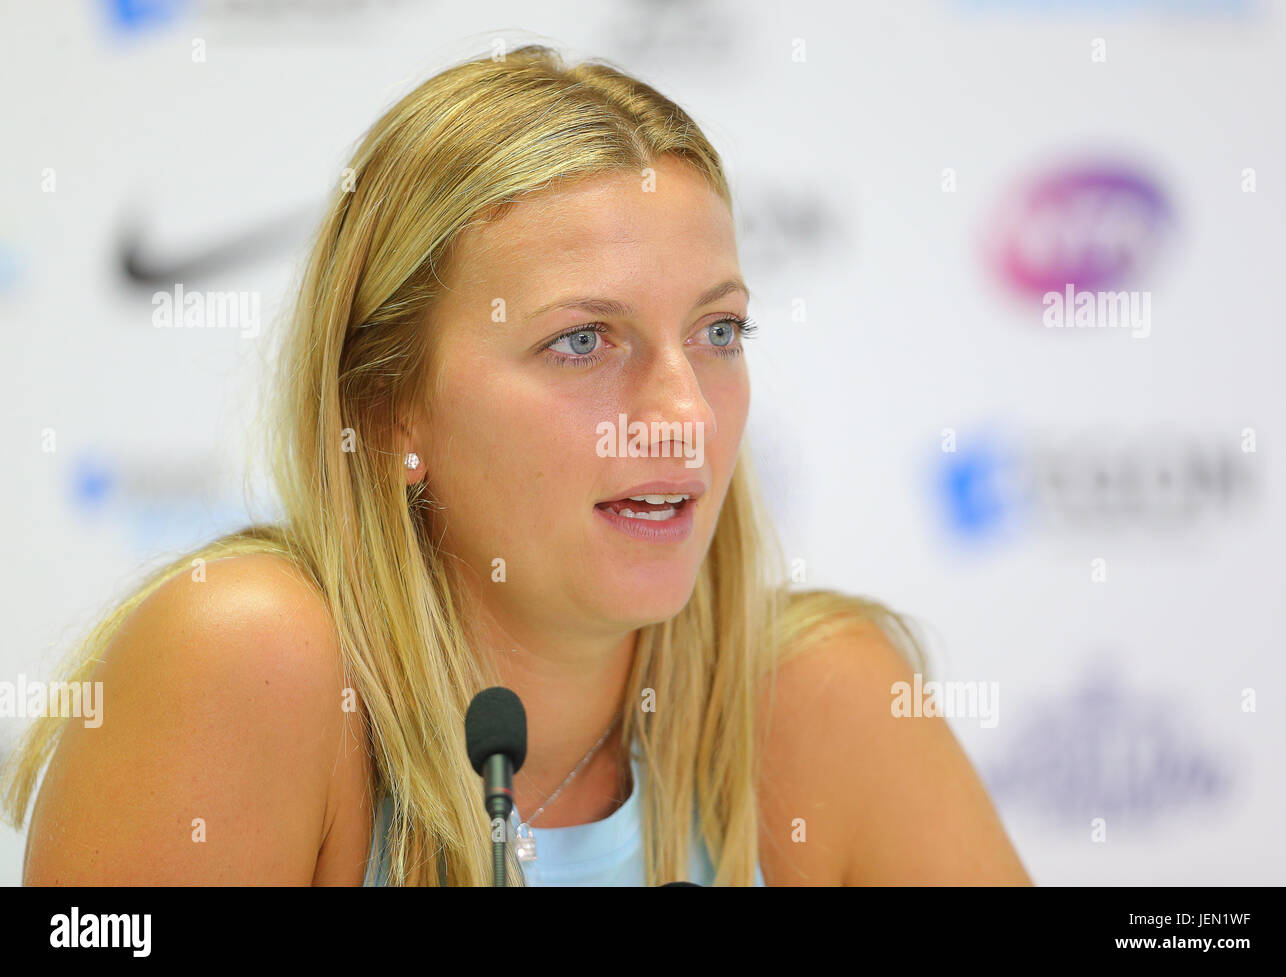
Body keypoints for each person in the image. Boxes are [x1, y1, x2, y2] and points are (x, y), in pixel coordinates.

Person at [2, 44, 1030, 886]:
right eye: (583, 341)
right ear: (389, 405)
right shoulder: (247, 658)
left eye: (718, 330)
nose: (683, 413)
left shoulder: (819, 698)